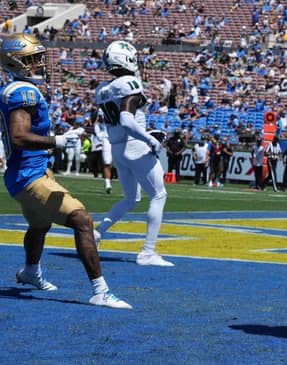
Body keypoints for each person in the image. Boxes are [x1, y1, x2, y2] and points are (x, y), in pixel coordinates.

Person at [0, 33, 131, 309]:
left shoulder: (17, 89)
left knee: (39, 225)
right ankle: (100, 290)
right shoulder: (23, 91)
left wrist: (47, 147)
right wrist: (57, 141)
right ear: (14, 63)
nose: (39, 64)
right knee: (82, 220)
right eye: (32, 59)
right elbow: (19, 136)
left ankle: (30, 272)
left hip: (26, 172)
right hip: (29, 176)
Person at [93, 40, 173, 267]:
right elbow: (127, 120)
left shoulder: (103, 90)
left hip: (117, 147)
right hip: (134, 145)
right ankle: (148, 252)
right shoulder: (128, 83)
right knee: (159, 195)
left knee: (131, 199)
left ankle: (97, 233)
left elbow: (119, 121)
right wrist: (149, 139)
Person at [93, 110, 113, 193]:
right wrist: (100, 136)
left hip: (117, 139)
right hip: (106, 140)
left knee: (120, 162)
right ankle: (108, 185)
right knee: (106, 162)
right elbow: (97, 125)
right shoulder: (100, 123)